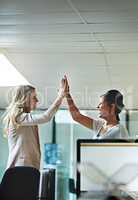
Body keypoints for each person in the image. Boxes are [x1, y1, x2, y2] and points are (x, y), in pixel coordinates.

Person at [3, 77, 67, 170]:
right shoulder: (18, 117)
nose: (37, 100)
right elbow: (46, 117)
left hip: (28, 169)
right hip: (18, 170)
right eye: (34, 97)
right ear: (25, 99)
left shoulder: (27, 120)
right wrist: (60, 96)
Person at [65, 76, 129, 139]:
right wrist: (67, 94)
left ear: (112, 106)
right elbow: (77, 117)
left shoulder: (120, 130)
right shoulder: (99, 125)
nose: (98, 107)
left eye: (101, 103)